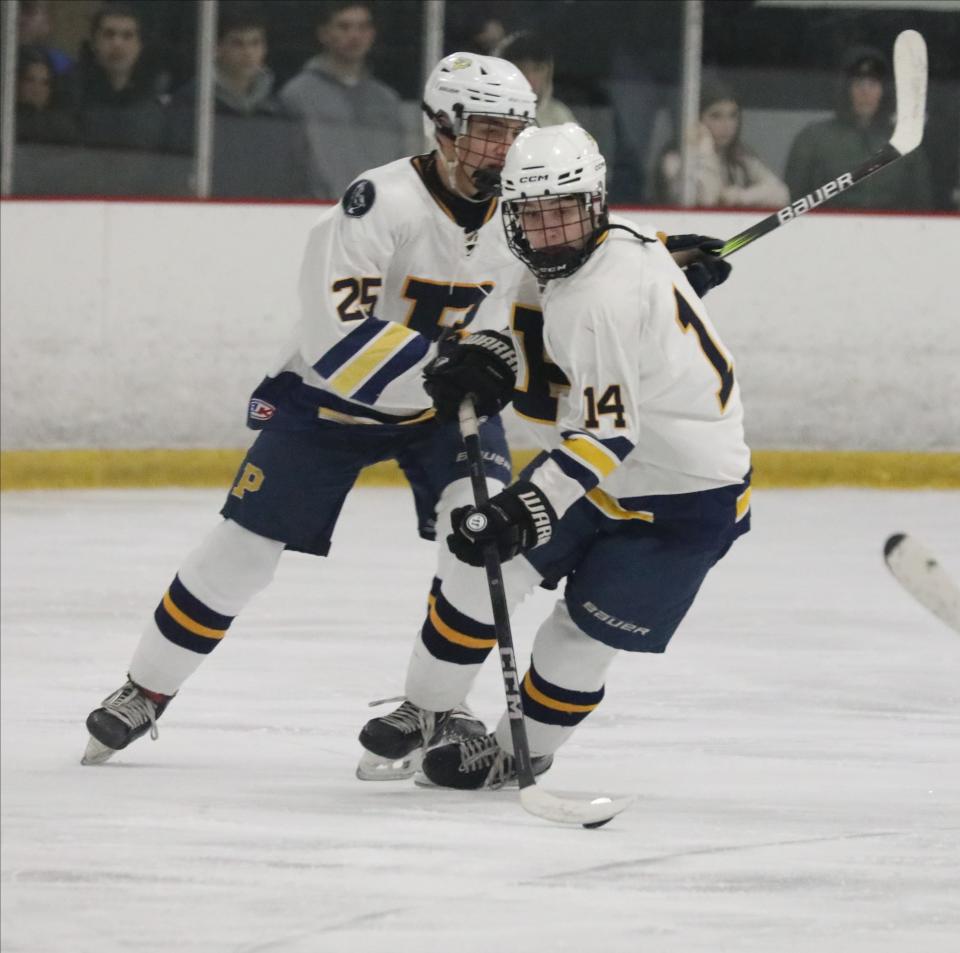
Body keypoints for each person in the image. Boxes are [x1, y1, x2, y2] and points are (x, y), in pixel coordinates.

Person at [81, 53, 539, 775]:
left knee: (482, 542)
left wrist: (666, 265)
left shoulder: (524, 212)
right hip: (334, 404)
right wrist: (450, 368)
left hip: (447, 412)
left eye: (514, 131)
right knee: (240, 553)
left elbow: (586, 262)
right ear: (443, 127)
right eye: (487, 131)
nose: (504, 149)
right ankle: (145, 688)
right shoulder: (378, 202)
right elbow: (338, 337)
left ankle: (431, 704)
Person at [374, 124, 751, 790]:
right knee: (475, 574)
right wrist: (479, 351)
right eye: (535, 215)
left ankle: (520, 751)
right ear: (513, 213)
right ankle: (427, 706)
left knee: (578, 635)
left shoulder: (597, 300)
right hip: (597, 471)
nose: (551, 231)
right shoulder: (620, 243)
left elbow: (608, 434)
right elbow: (515, 302)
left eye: (566, 212)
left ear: (595, 203)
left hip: (682, 494)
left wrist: (525, 506)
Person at [165, 2, 309, 198]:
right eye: (237, 43)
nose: (248, 53)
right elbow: (176, 168)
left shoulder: (279, 107)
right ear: (217, 47)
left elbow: (293, 169)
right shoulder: (190, 102)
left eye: (255, 43)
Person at [784, 45, 933, 211]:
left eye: (873, 84)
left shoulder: (904, 143)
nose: (866, 92)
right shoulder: (813, 140)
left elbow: (922, 207)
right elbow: (793, 203)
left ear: (884, 91)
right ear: (845, 89)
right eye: (859, 83)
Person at [278, 2, 403, 199]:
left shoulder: (386, 99)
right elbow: (290, 166)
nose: (355, 35)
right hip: (314, 212)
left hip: (378, 215)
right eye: (344, 27)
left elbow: (399, 166)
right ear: (323, 33)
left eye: (363, 27)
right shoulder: (298, 95)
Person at [656, 75, 789, 208]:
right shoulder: (675, 160)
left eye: (733, 116)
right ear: (696, 120)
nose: (727, 125)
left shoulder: (740, 158)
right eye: (716, 116)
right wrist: (704, 149)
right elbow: (705, 200)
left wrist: (740, 197)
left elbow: (781, 194)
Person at [61, 2, 169, 151]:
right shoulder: (69, 89)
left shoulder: (157, 92)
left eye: (127, 36)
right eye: (108, 34)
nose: (117, 44)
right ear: (93, 43)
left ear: (140, 45)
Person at [495, 31, 576, 128]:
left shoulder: (559, 117)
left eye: (538, 69)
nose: (530, 77)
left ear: (549, 71)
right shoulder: (487, 112)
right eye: (521, 68)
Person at [15, 46, 78, 145]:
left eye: (45, 83)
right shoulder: (8, 122)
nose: (37, 89)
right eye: (30, 80)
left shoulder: (61, 126)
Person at [17, 0, 73, 76]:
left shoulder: (61, 66)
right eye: (18, 10)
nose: (20, 19)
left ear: (48, 21)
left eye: (29, 12)